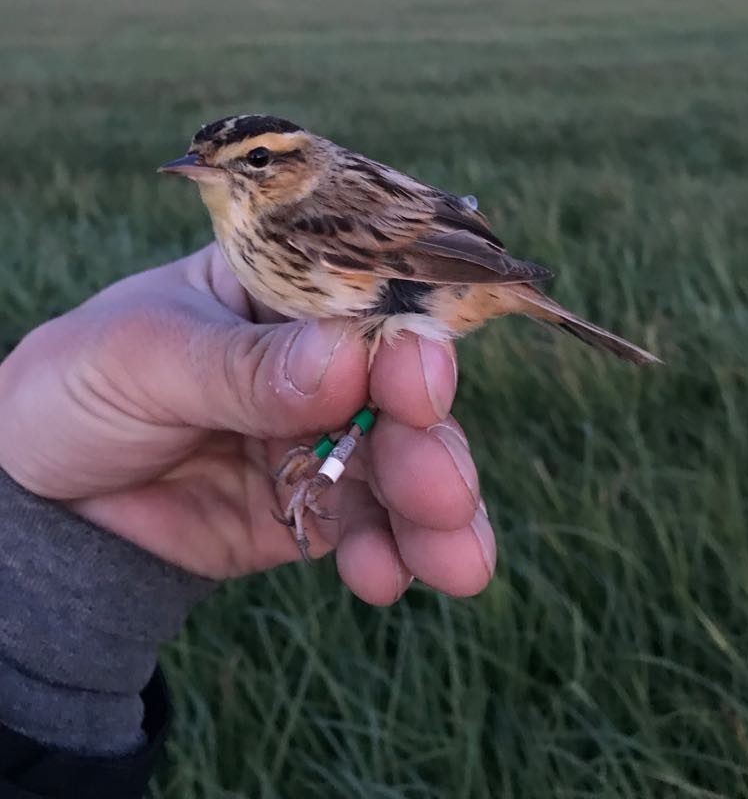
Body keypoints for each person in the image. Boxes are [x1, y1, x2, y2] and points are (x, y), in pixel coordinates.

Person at [0, 244, 496, 798]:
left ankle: (330, 462)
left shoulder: (298, 228)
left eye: (253, 161)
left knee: (373, 397)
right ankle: (329, 463)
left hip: (419, 296)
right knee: (372, 401)